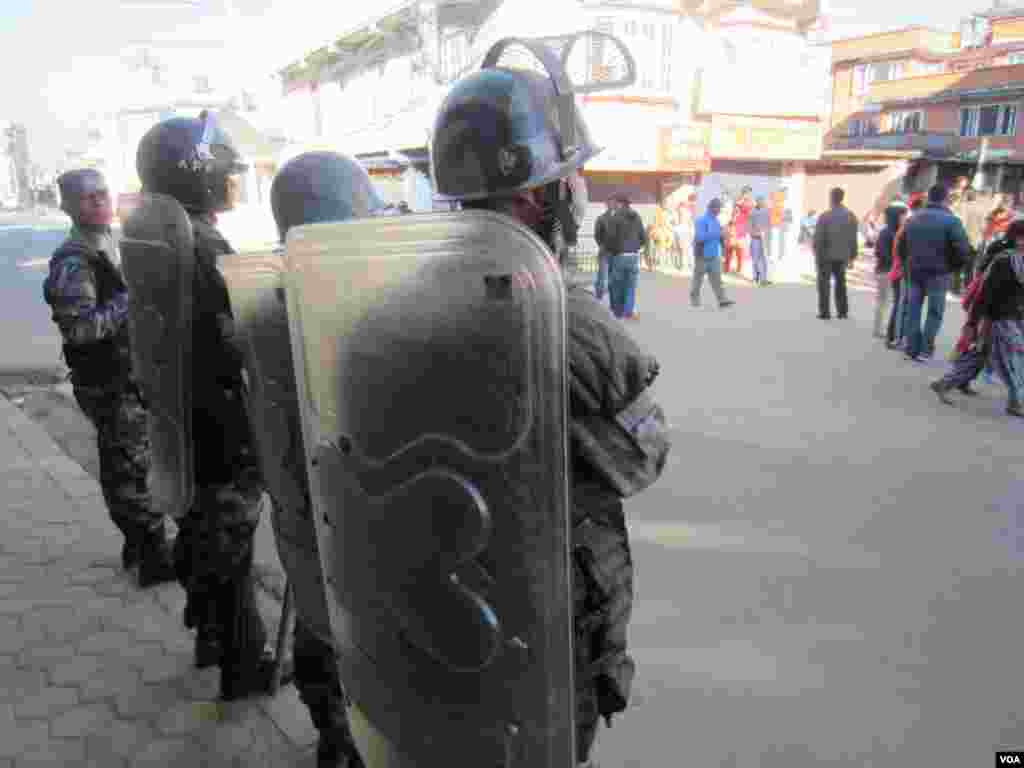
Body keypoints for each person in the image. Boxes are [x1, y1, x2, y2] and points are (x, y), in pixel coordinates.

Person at [430, 48, 669, 766]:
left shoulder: (404, 299)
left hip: (443, 597)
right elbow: (643, 457)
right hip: (544, 619)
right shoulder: (566, 316)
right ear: (542, 195)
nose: (580, 190)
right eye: (573, 176)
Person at [135, 113, 284, 701]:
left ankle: (209, 637)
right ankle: (243, 663)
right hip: (219, 422)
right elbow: (243, 334)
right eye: (227, 171)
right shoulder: (204, 244)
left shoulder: (157, 234)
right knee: (231, 547)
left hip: (180, 413)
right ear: (197, 175)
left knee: (199, 530)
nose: (233, 180)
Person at [266, 151, 375, 767]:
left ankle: (334, 741)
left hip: (307, 517)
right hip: (364, 524)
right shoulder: (384, 307)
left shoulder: (268, 302)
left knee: (318, 626)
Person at [43, 169, 177, 588]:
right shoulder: (73, 260)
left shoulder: (107, 244)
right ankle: (151, 553)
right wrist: (130, 299)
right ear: (67, 206)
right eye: (88, 197)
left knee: (130, 462)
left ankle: (140, 544)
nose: (100, 202)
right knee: (130, 468)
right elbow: (80, 329)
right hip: (108, 382)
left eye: (103, 193)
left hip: (125, 375)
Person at [930, 217, 1024, 418]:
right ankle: (1016, 401)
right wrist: (973, 322)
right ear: (1018, 239)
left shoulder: (1018, 261)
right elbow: (985, 293)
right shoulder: (1004, 261)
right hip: (1000, 317)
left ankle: (945, 383)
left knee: (981, 355)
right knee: (1014, 359)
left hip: (1013, 317)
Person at [900, 184, 971, 362]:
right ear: (946, 199)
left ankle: (911, 348)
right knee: (934, 312)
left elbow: (902, 246)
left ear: (929, 197)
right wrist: (953, 267)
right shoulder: (952, 221)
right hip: (939, 273)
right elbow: (963, 249)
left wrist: (907, 263)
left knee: (913, 310)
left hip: (915, 271)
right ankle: (925, 350)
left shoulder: (913, 218)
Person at [813, 187, 859, 320]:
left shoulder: (824, 216)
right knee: (840, 283)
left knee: (824, 284)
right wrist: (852, 257)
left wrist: (817, 254)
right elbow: (853, 238)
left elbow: (818, 238)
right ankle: (842, 312)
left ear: (831, 198)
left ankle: (825, 312)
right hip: (842, 256)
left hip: (825, 256)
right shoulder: (851, 216)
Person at [606, 193, 647, 320]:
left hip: (619, 256)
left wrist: (613, 251)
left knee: (617, 285)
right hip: (633, 256)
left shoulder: (615, 217)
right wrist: (635, 247)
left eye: (616, 203)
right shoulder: (637, 216)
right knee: (630, 286)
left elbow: (610, 238)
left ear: (620, 204)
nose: (614, 205)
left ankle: (618, 312)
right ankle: (628, 311)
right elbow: (643, 237)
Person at [872, 200, 907, 339]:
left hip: (885, 270)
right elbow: (881, 252)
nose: (904, 218)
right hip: (886, 271)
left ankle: (880, 328)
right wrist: (895, 263)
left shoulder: (889, 231)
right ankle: (880, 329)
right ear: (896, 217)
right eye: (902, 216)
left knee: (885, 301)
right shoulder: (889, 232)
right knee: (884, 301)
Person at [691, 198, 734, 309]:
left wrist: (724, 239)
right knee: (698, 280)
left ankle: (722, 300)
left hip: (714, 255)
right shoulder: (701, 221)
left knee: (717, 280)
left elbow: (719, 236)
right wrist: (717, 233)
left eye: (720, 208)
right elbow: (700, 237)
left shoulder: (716, 221)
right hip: (702, 255)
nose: (720, 210)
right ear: (712, 208)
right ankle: (695, 301)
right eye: (718, 208)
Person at [593, 199, 616, 302]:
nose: (612, 205)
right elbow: (597, 235)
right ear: (606, 205)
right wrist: (602, 245)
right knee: (602, 276)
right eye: (609, 203)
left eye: (613, 203)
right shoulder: (601, 218)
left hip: (616, 253)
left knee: (613, 277)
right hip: (605, 252)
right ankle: (599, 296)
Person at [748, 196, 771, 286]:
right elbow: (749, 225)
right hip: (755, 238)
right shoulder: (752, 212)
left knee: (764, 259)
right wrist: (755, 233)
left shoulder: (766, 211)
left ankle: (764, 279)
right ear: (757, 202)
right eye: (759, 201)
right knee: (755, 259)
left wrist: (767, 233)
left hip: (764, 238)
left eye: (762, 201)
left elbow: (769, 224)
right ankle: (755, 277)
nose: (761, 203)